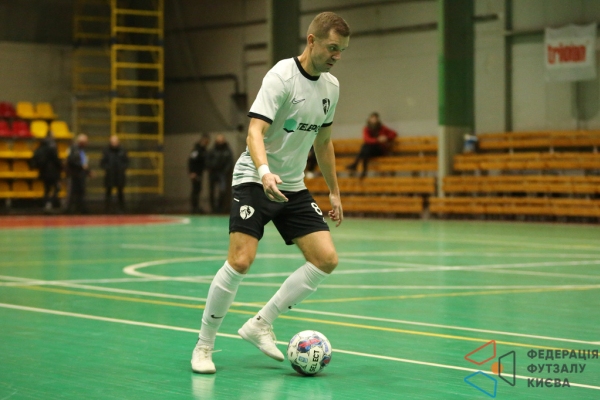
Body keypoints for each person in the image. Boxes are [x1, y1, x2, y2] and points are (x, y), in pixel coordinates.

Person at [191, 11, 350, 374]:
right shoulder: (281, 76)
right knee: (240, 261)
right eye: (332, 47)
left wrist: (334, 191)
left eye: (342, 49)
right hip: (254, 178)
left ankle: (260, 324)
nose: (337, 56)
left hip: (292, 185)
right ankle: (204, 346)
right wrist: (264, 173)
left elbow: (324, 142)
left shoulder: (331, 87)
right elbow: (254, 133)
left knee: (326, 259)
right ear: (312, 41)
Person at [346, 112, 397, 177]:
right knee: (366, 149)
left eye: (375, 118)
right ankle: (363, 170)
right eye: (372, 118)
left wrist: (386, 138)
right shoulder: (367, 129)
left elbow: (394, 133)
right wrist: (377, 140)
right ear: (369, 119)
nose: (374, 120)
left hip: (379, 150)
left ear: (378, 119)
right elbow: (366, 139)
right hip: (369, 151)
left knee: (365, 147)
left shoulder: (382, 128)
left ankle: (356, 165)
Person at [31, 131, 62, 213]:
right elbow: (56, 159)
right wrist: (61, 166)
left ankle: (45, 203)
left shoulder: (41, 145)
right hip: (52, 172)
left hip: (43, 171)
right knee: (57, 188)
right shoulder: (52, 146)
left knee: (47, 189)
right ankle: (51, 203)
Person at [100, 135, 128, 213]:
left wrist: (122, 168)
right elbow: (102, 163)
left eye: (115, 141)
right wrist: (108, 168)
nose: (114, 143)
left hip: (120, 176)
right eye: (112, 142)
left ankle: (122, 210)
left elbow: (127, 162)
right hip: (110, 176)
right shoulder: (106, 151)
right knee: (108, 193)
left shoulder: (122, 150)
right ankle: (107, 210)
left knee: (120, 193)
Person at [207, 134, 234, 213]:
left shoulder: (227, 151)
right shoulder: (212, 150)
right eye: (219, 140)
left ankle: (220, 208)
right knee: (212, 191)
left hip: (222, 174)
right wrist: (211, 168)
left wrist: (225, 171)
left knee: (223, 190)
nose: (220, 142)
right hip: (213, 173)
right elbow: (207, 161)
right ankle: (213, 209)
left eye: (221, 140)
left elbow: (230, 162)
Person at [65, 134, 90, 213]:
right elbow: (71, 160)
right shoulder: (73, 149)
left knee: (81, 192)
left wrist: (87, 171)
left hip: (80, 174)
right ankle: (69, 210)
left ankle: (79, 209)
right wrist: (81, 166)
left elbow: (84, 161)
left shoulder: (81, 150)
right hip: (74, 174)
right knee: (72, 193)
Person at [189, 134, 210, 213]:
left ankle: (196, 206)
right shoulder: (196, 150)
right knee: (195, 190)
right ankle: (194, 207)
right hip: (195, 173)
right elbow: (191, 161)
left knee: (198, 190)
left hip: (200, 173)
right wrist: (192, 172)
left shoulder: (203, 149)